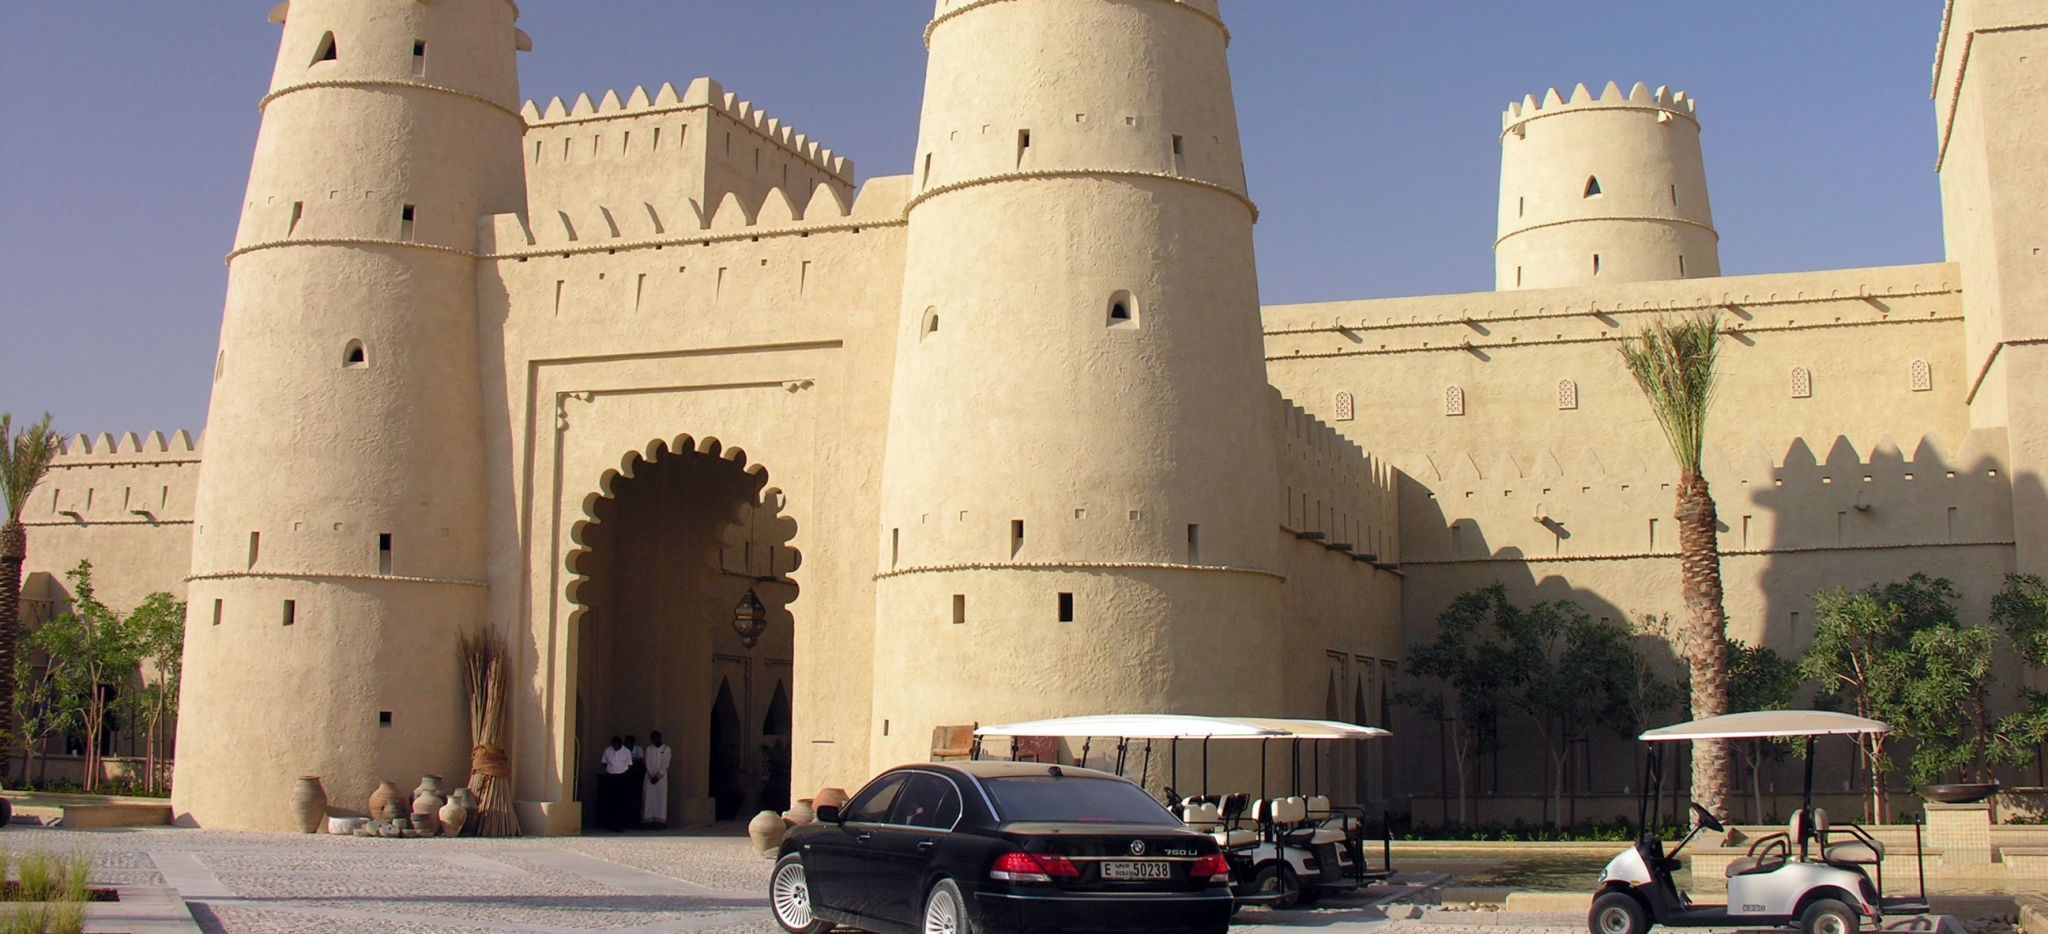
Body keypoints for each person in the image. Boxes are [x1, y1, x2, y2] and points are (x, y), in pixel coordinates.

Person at [600, 735, 632, 832]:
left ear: (621, 744)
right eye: (614, 745)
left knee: (620, 802)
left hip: (622, 777)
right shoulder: (607, 750)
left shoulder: (626, 751)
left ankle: (619, 824)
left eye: (617, 745)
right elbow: (603, 762)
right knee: (610, 801)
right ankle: (610, 824)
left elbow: (629, 764)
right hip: (611, 777)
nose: (615, 747)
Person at [642, 730, 672, 829]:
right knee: (649, 798)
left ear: (659, 737)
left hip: (661, 779)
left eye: (655, 737)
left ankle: (660, 821)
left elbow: (665, 763)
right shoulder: (649, 749)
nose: (653, 739)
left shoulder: (666, 749)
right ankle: (648, 821)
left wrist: (658, 776)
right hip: (650, 778)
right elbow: (647, 762)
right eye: (652, 737)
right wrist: (651, 775)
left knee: (661, 798)